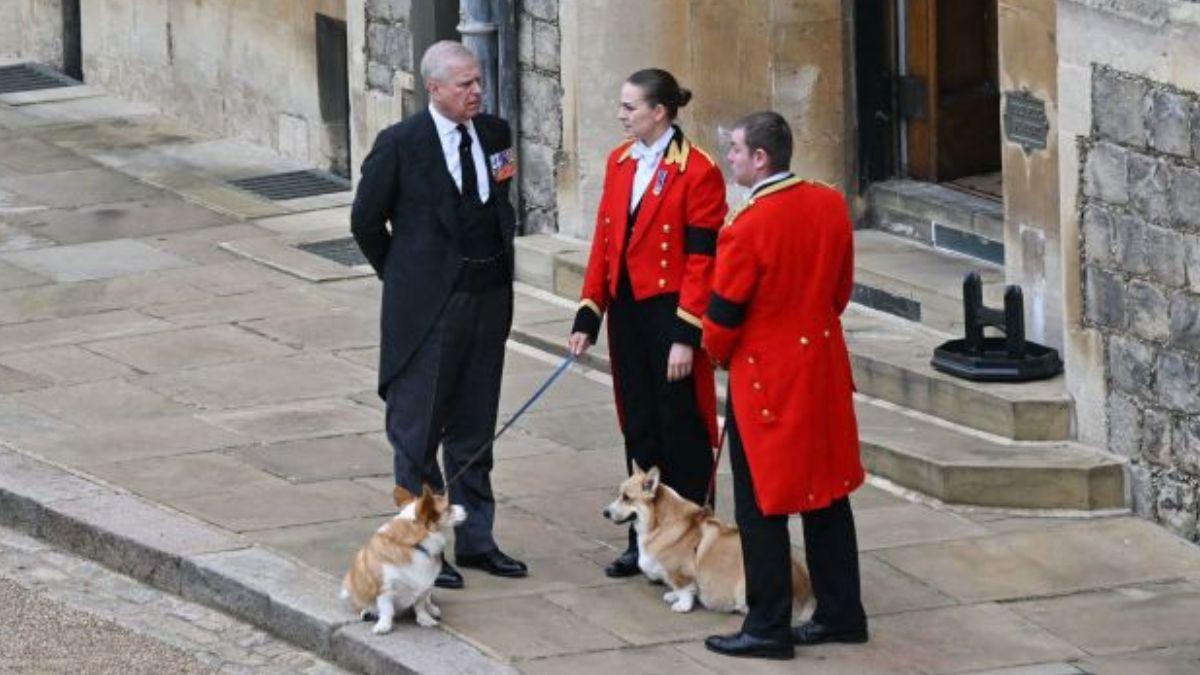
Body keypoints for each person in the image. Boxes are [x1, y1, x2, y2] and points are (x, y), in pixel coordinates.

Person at [350, 40, 526, 590]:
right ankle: (426, 547)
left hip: (487, 301)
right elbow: (365, 222)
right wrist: (407, 280)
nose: (477, 92)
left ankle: (476, 539)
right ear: (435, 89)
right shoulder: (401, 144)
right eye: (464, 85)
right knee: (419, 431)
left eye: (478, 82)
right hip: (429, 312)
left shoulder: (495, 134)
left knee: (474, 429)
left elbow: (500, 203)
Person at [701, 111, 868, 660]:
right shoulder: (828, 204)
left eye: (736, 150)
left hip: (768, 381)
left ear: (761, 159)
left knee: (761, 508)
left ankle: (768, 625)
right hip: (821, 368)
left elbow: (722, 322)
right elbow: (840, 291)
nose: (730, 157)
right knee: (827, 494)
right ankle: (842, 611)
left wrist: (718, 354)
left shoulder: (746, 227)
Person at [568, 68, 725, 578]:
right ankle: (645, 538)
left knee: (679, 428)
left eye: (630, 107)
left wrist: (687, 335)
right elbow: (605, 243)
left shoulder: (698, 170)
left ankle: (694, 539)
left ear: (660, 112)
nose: (621, 115)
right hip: (629, 314)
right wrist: (589, 311)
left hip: (670, 313)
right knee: (638, 425)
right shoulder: (619, 162)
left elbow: (703, 260)